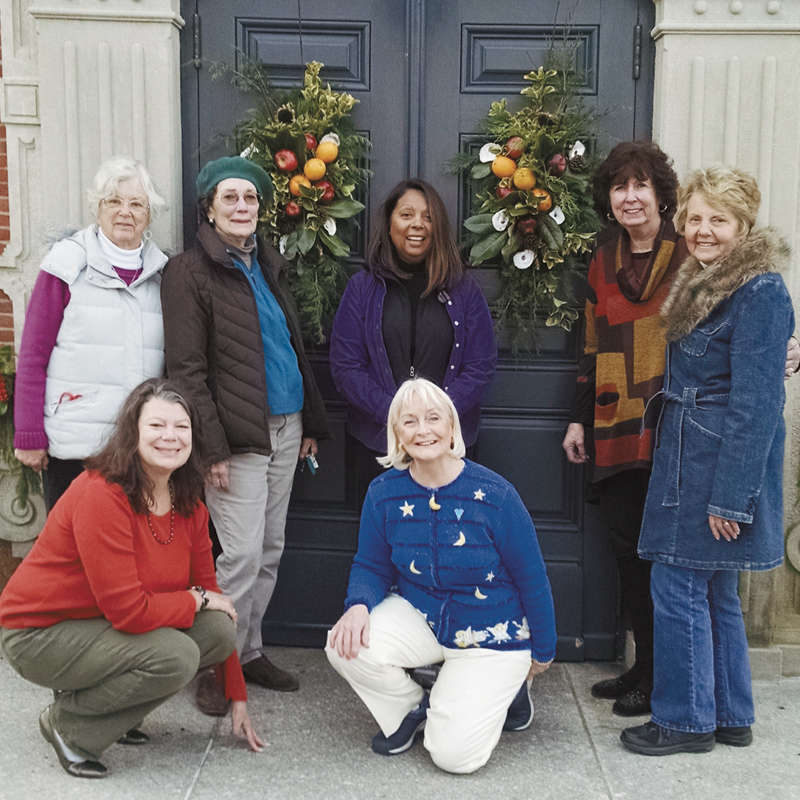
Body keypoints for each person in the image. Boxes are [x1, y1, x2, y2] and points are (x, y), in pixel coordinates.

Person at [561, 142, 799, 717]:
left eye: (641, 185)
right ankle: (648, 672)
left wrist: (788, 351)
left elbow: (750, 344)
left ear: (661, 197)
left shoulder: (694, 257)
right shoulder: (608, 257)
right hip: (620, 420)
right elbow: (594, 341)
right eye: (620, 187)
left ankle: (677, 694)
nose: (631, 196)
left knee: (677, 573)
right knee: (632, 551)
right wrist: (580, 413)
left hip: (679, 432)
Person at [0, 378, 264, 779]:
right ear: (133, 433)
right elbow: (130, 613)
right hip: (37, 633)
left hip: (98, 621)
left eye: (181, 427)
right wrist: (194, 599)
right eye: (157, 426)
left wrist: (237, 695)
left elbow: (215, 599)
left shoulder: (188, 502)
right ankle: (69, 725)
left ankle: (111, 715)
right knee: (175, 655)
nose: (170, 437)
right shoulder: (102, 496)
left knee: (216, 630)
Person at [620, 166, 794, 755]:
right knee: (715, 588)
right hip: (691, 449)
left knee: (675, 583)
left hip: (715, 460)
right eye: (694, 218)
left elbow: (756, 406)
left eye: (718, 219)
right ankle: (729, 714)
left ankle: (685, 720)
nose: (702, 230)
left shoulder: (761, 291)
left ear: (743, 226)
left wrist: (732, 498)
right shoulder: (704, 281)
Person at [161, 157, 330, 703]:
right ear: (209, 207)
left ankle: (248, 651)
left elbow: (289, 351)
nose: (241, 207)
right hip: (235, 439)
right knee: (238, 556)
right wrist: (208, 448)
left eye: (251, 198)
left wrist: (309, 422)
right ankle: (214, 665)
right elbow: (187, 370)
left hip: (286, 427)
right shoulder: (189, 272)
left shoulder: (267, 264)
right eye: (229, 197)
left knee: (271, 547)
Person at [326, 378, 556, 774]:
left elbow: (531, 577)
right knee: (343, 643)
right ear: (396, 432)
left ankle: (510, 689)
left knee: (454, 758)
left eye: (433, 418)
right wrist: (358, 606)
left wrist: (543, 651)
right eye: (409, 421)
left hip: (490, 631)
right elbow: (371, 565)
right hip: (422, 615)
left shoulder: (495, 495)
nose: (423, 430)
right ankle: (409, 711)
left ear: (452, 428)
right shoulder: (384, 493)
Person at [13, 157, 168, 512]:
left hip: (137, 446)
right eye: (113, 201)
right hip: (75, 444)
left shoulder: (163, 274)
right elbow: (34, 355)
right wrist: (28, 433)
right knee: (71, 552)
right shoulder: (65, 266)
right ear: (98, 208)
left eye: (136, 204)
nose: (125, 212)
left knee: (127, 550)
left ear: (149, 214)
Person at [330, 178, 496, 473]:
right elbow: (346, 367)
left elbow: (480, 365)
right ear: (390, 223)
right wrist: (396, 416)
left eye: (428, 217)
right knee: (385, 520)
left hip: (448, 446)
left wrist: (434, 420)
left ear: (439, 228)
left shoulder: (463, 288)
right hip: (378, 442)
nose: (417, 224)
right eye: (406, 215)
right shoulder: (361, 287)